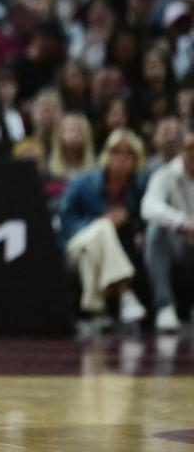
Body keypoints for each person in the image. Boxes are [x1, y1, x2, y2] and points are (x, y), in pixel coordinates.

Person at [58, 129, 148, 327]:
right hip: (75, 244)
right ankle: (125, 291)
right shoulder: (84, 181)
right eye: (116, 151)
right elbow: (65, 219)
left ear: (136, 158)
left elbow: (144, 221)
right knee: (103, 227)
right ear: (107, 154)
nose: (122, 158)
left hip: (96, 251)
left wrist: (128, 221)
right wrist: (97, 222)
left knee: (92, 251)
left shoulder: (138, 186)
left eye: (128, 153)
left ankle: (96, 311)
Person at [140, 125, 194, 332]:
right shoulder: (165, 174)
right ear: (180, 149)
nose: (193, 153)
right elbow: (149, 207)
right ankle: (165, 306)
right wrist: (183, 222)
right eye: (189, 147)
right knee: (155, 229)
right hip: (176, 249)